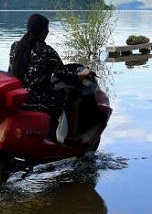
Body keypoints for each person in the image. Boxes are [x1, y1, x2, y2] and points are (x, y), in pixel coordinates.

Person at [8, 13, 92, 143]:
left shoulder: (15, 47)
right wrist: (82, 74)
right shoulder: (47, 51)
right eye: (47, 29)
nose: (47, 32)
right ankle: (72, 136)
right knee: (72, 94)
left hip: (19, 98)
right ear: (43, 31)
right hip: (38, 100)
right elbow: (65, 76)